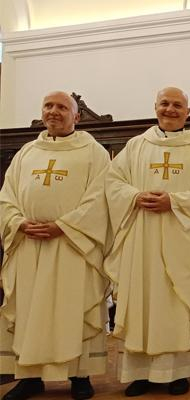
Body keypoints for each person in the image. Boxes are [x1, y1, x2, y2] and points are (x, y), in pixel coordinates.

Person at [104, 87, 190, 397]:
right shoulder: (136, 146)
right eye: (165, 104)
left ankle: (177, 372)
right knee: (142, 301)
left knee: (176, 303)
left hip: (182, 240)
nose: (170, 109)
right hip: (140, 238)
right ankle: (140, 373)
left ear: (187, 111)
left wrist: (175, 202)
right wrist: (135, 196)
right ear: (155, 107)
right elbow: (113, 183)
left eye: (177, 105)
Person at [0, 91, 111, 400]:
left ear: (76, 117)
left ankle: (79, 375)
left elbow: (99, 199)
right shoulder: (25, 152)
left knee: (73, 310)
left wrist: (63, 225)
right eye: (48, 106)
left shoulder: (94, 152)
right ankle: (30, 377)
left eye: (62, 107)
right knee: (29, 312)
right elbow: (6, 197)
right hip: (29, 244)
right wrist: (19, 223)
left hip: (73, 246)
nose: (54, 111)